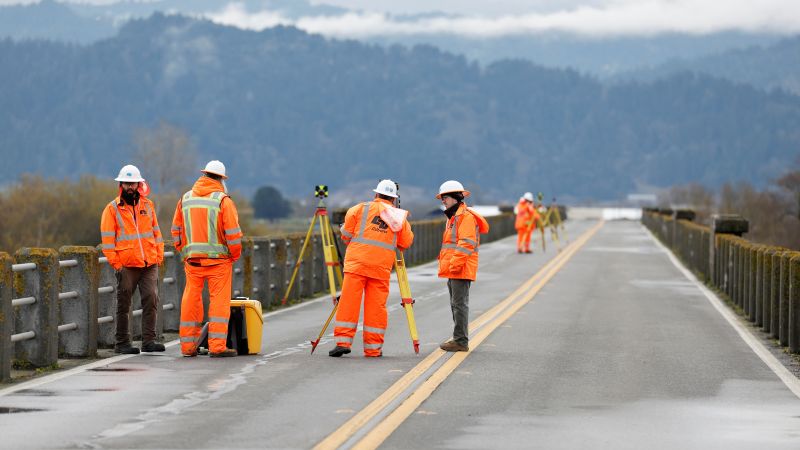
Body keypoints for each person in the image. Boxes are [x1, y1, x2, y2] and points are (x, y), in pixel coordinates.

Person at [329, 179, 414, 358]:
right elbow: (405, 242)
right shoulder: (399, 217)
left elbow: (345, 235)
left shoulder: (359, 209)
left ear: (376, 194)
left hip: (356, 265)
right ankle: (373, 348)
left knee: (349, 303)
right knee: (376, 308)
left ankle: (343, 342)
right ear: (393, 199)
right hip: (380, 268)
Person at [171, 160, 243, 357]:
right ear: (221, 178)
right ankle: (217, 346)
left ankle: (188, 347)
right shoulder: (223, 201)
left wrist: (183, 250)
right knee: (219, 302)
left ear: (204, 175)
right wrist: (234, 255)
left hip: (192, 260)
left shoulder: (185, 199)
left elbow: (176, 230)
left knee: (190, 300)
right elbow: (233, 235)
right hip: (219, 262)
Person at [100, 164, 165, 354]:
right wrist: (117, 265)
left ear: (139, 184)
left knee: (151, 299)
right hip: (127, 265)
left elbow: (156, 233)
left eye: (133, 183)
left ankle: (149, 341)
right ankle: (122, 343)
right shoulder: (111, 209)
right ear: (121, 184)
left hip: (149, 263)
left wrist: (158, 256)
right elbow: (107, 241)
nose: (130, 186)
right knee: (124, 303)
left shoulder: (148, 205)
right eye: (127, 183)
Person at [436, 180, 489, 352]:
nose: (442, 200)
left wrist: (453, 265)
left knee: (459, 304)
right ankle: (459, 338)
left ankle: (460, 340)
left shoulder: (464, 217)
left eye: (445, 197)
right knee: (456, 304)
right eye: (442, 198)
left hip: (460, 267)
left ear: (455, 197)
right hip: (455, 268)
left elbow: (466, 244)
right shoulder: (454, 217)